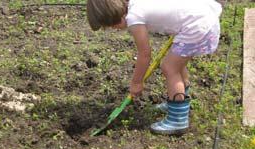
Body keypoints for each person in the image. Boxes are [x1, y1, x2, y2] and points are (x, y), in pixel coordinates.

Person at [86, 0, 222, 135]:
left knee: (169, 67)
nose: (113, 28)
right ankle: (178, 101)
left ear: (115, 16)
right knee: (176, 64)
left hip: (196, 25)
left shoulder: (134, 18)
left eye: (111, 25)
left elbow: (145, 54)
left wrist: (137, 82)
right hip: (200, 15)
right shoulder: (135, 4)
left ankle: (177, 119)